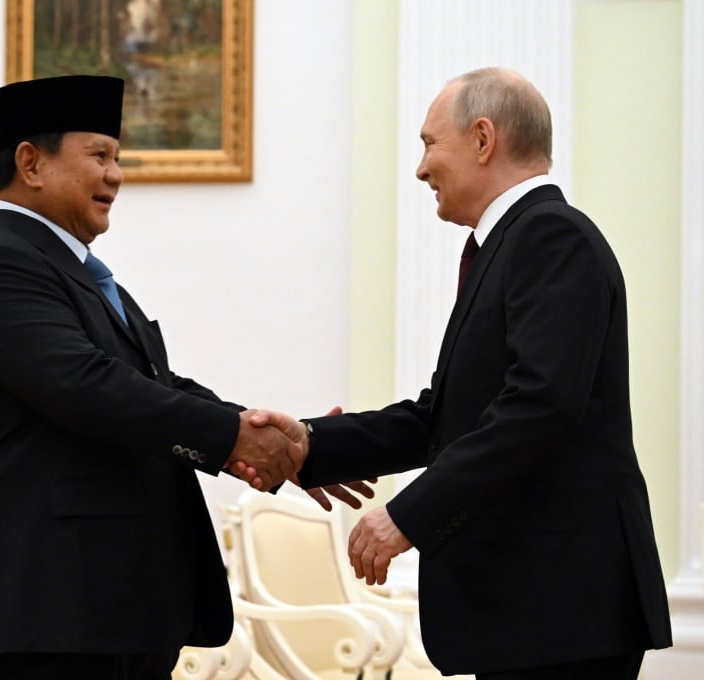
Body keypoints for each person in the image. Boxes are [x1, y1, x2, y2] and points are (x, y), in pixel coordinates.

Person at [249, 67, 673, 678]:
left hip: (561, 607)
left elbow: (538, 409)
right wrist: (312, 445)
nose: (421, 169)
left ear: (482, 139)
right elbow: (442, 416)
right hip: (530, 611)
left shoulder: (551, 237)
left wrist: (408, 516)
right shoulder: (508, 245)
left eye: (428, 144)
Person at [0, 74, 335, 680]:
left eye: (117, 158)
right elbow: (91, 388)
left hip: (107, 603)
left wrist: (288, 440)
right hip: (46, 604)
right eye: (99, 156)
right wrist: (238, 441)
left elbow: (153, 382)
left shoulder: (71, 270)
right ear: (31, 163)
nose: (116, 175)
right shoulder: (1, 264)